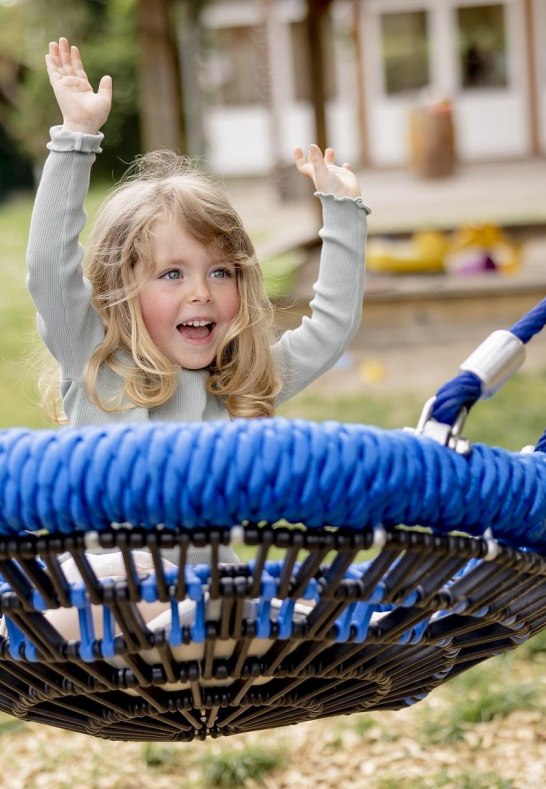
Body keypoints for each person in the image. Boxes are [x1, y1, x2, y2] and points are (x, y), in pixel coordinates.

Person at [21, 37, 370, 640]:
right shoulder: (94, 359)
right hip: (107, 591)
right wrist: (75, 136)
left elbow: (329, 328)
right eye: (172, 273)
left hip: (206, 604)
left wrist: (341, 212)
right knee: (114, 583)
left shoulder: (239, 385)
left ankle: (236, 633)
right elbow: (47, 267)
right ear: (119, 287)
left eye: (220, 272)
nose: (202, 293)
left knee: (295, 610)